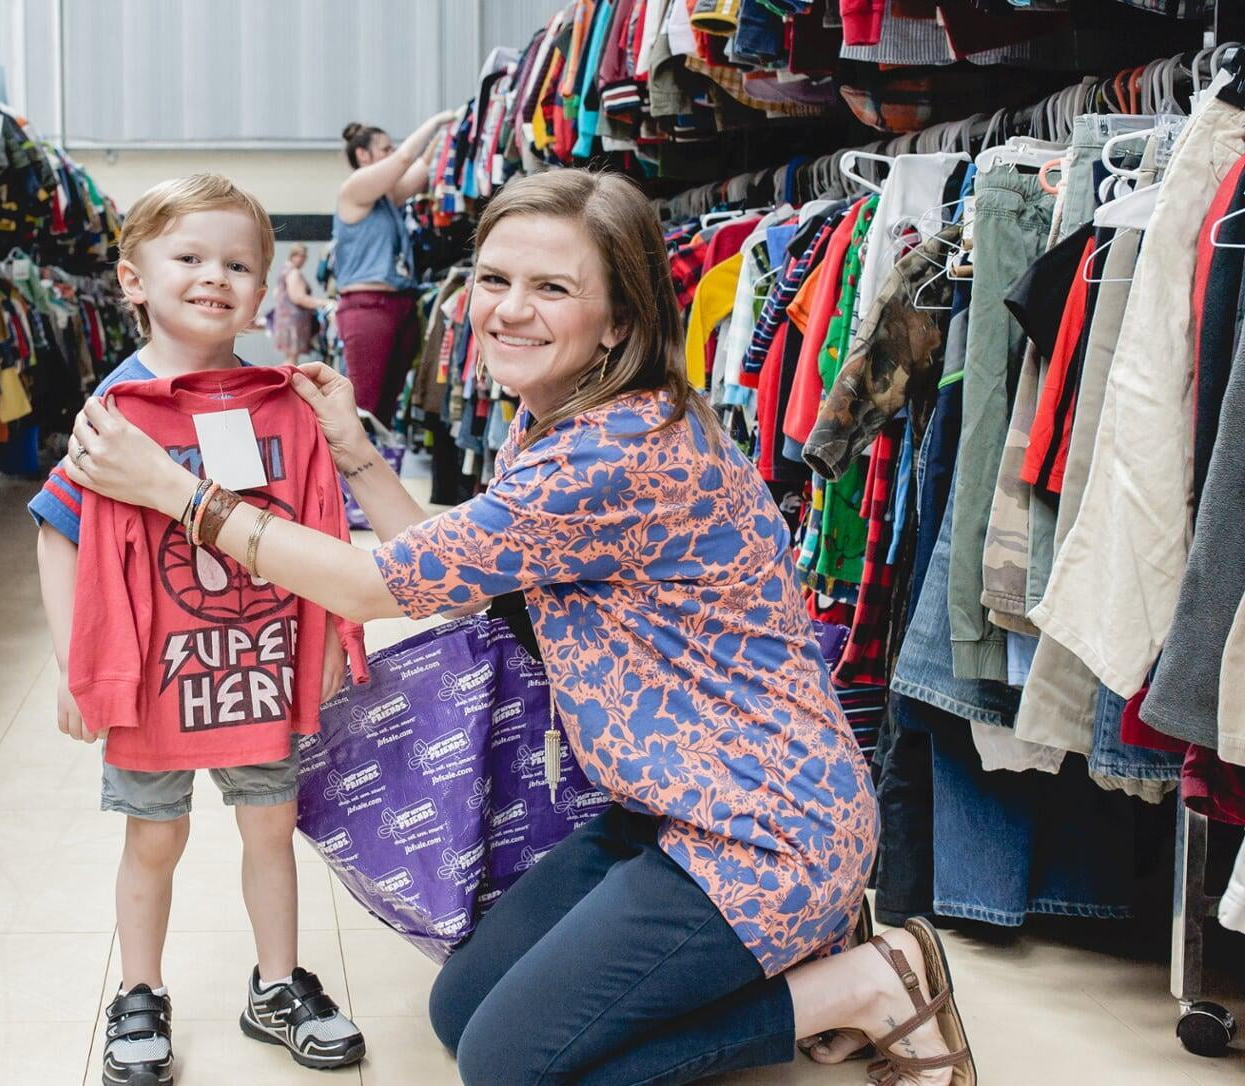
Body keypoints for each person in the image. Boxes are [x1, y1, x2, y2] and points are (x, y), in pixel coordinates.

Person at [63, 170, 979, 1086]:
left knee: (508, 1069)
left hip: (762, 831)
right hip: (661, 809)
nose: (509, 310)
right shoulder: (563, 423)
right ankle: (794, 955)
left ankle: (862, 986)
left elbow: (374, 586)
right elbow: (453, 576)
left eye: (552, 288)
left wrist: (177, 493)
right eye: (495, 280)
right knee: (459, 1011)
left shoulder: (612, 454)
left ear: (619, 319)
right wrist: (354, 453)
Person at [29, 174, 367, 1086]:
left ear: (264, 288)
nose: (214, 277)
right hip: (151, 672)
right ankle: (139, 991)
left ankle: (278, 983)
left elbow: (322, 529)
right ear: (134, 278)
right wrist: (75, 662)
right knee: (154, 838)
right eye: (189, 257)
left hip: (254, 662)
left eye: (238, 263)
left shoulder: (282, 400)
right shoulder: (115, 412)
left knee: (270, 824)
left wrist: (333, 637)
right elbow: (58, 536)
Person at [333, 113, 455, 426]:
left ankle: (376, 469)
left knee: (385, 409)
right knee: (366, 405)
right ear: (363, 155)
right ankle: (349, 474)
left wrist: (446, 135)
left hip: (399, 304)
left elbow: (420, 168)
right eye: (384, 149)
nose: (391, 153)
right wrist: (437, 121)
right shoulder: (355, 189)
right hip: (368, 307)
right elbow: (404, 161)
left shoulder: (388, 199)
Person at [272, 242, 323, 363]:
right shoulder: (293, 272)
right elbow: (298, 297)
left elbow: (277, 293)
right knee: (292, 359)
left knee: (290, 357)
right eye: (303, 256)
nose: (305, 260)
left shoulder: (284, 269)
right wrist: (323, 303)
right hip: (293, 322)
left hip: (286, 320)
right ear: (295, 255)